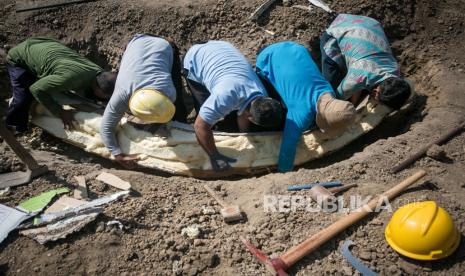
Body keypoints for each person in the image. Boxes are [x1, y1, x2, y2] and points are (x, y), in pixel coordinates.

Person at [256, 41, 356, 173]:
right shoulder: (301, 113)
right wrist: (283, 172)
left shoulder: (329, 90)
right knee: (270, 101)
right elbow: (288, 146)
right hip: (265, 59)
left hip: (295, 48)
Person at [183, 40, 282, 172]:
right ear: (250, 116)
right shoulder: (224, 96)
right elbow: (200, 126)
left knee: (222, 112)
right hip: (194, 59)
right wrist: (215, 156)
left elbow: (244, 112)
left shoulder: (261, 93)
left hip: (222, 47)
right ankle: (208, 145)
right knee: (204, 112)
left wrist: (244, 136)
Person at [101, 34, 187, 169]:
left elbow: (169, 108)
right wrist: (117, 154)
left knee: (179, 106)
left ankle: (182, 125)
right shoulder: (122, 94)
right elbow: (105, 127)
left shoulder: (170, 92)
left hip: (165, 46)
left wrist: (167, 125)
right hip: (135, 42)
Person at [4, 37, 116, 132]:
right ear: (99, 90)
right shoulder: (71, 79)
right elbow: (36, 89)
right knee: (25, 96)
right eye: (107, 95)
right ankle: (14, 126)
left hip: (44, 44)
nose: (109, 96)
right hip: (20, 57)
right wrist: (60, 111)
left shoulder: (99, 72)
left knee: (62, 90)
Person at [320, 14, 411, 109]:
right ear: (376, 92)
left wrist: (354, 104)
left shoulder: (395, 70)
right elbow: (338, 97)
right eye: (379, 101)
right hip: (339, 28)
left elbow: (358, 83)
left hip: (369, 23)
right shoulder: (357, 77)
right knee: (330, 87)